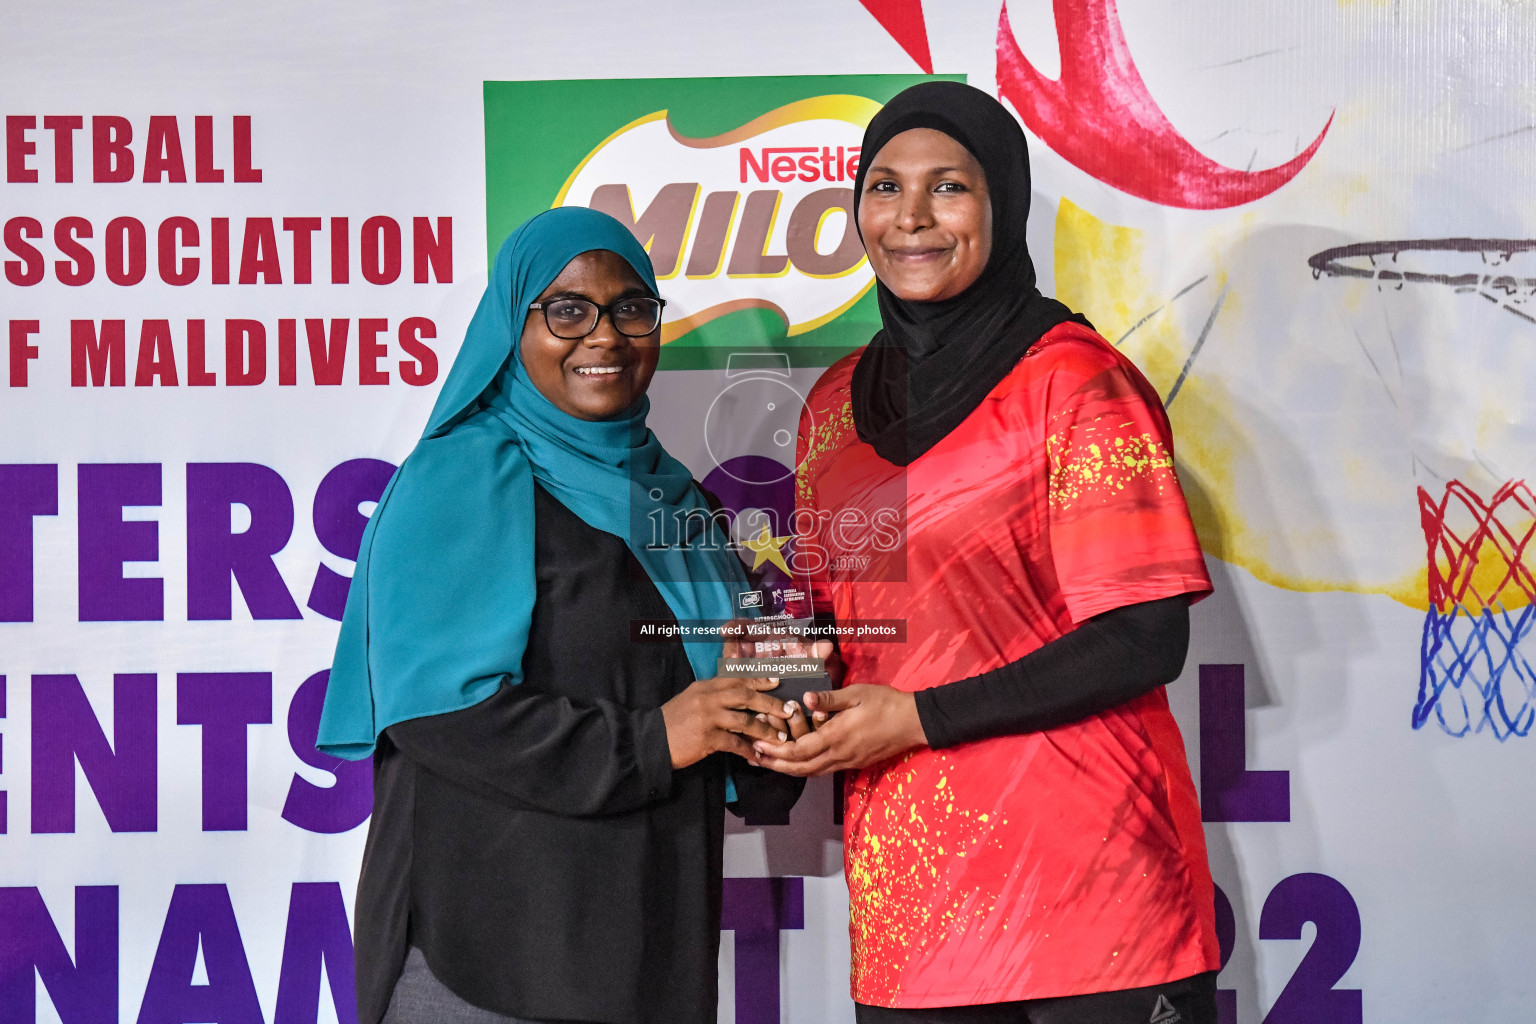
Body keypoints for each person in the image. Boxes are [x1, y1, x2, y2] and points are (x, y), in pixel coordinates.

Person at [754, 82, 1221, 1024]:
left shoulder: (1077, 383)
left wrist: (917, 717)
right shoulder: (833, 406)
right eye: (882, 187)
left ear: (1000, 204)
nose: (910, 217)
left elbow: (1140, 639)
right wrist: (772, 696)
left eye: (948, 188)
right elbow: (827, 621)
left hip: (1096, 909)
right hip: (914, 926)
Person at [317, 206, 803, 1024]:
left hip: (648, 942)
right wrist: (655, 740)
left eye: (631, 308)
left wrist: (786, 701)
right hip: (493, 953)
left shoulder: (673, 499)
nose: (605, 336)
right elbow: (444, 712)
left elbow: (727, 681)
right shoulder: (466, 474)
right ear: (514, 323)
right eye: (567, 309)